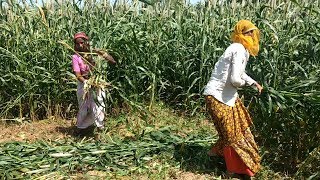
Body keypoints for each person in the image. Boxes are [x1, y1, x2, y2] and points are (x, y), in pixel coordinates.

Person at [203, 20, 263, 179]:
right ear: (241, 34)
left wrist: (253, 83)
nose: (252, 36)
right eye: (248, 32)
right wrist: (245, 84)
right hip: (217, 96)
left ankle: (214, 155)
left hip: (227, 96)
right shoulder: (237, 48)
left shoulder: (242, 49)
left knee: (239, 129)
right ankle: (231, 171)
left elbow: (240, 74)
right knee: (231, 135)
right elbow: (236, 80)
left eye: (252, 32)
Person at [72, 32, 116, 133]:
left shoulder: (94, 53)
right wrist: (86, 82)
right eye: (77, 44)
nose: (80, 45)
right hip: (84, 85)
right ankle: (80, 129)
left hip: (97, 84)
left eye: (82, 43)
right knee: (84, 107)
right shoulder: (76, 57)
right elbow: (78, 74)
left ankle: (100, 129)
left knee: (98, 105)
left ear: (86, 42)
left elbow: (113, 62)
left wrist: (104, 54)